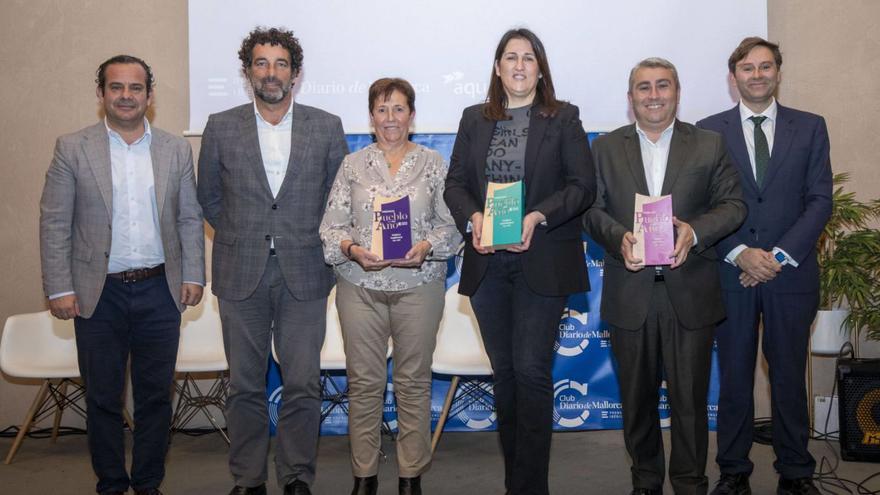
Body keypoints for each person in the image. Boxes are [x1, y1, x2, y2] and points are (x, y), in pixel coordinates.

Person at [39, 54, 205, 495]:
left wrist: (194, 275)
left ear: (149, 96)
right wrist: (60, 286)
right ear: (101, 94)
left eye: (135, 88)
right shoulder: (72, 147)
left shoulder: (174, 149)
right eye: (116, 87)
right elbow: (55, 220)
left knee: (155, 398)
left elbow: (190, 218)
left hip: (159, 290)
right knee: (102, 399)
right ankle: (111, 484)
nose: (126, 96)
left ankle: (148, 482)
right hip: (98, 294)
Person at [582, 57, 746, 495]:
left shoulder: (709, 144)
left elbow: (733, 205)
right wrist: (618, 238)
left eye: (662, 86)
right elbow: (590, 210)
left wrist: (696, 232)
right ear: (630, 96)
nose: (653, 96)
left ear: (677, 91)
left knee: (690, 401)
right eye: (643, 88)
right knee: (636, 401)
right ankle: (646, 481)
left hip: (688, 291)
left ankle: (690, 483)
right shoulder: (604, 148)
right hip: (630, 292)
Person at [444, 28, 595, 495]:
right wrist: (473, 218)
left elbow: (581, 185)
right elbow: (454, 185)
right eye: (510, 57)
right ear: (497, 67)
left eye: (529, 57)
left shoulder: (563, 117)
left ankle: (531, 487)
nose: (520, 65)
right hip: (489, 264)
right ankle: (517, 481)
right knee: (505, 373)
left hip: (541, 259)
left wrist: (537, 216)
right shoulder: (474, 118)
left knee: (531, 370)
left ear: (540, 67)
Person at [197, 27, 348, 495]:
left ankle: (297, 475)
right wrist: (247, 237)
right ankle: (248, 478)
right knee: (244, 384)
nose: (271, 72)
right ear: (248, 73)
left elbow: (337, 200)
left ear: (296, 74)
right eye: (261, 63)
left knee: (303, 382)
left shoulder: (326, 126)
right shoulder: (221, 126)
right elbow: (209, 198)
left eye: (281, 64)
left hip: (306, 272)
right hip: (240, 272)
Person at [697, 37, 832, 495]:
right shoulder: (708, 131)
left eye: (765, 66)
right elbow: (702, 204)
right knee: (734, 376)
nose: (757, 75)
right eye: (747, 68)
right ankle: (733, 471)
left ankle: (796, 472)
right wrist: (740, 252)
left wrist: (775, 256)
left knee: (789, 374)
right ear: (733, 78)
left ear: (778, 71)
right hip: (730, 272)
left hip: (789, 274)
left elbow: (819, 201)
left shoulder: (810, 127)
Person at [319, 77, 461, 495]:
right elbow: (331, 227)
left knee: (413, 382)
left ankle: (409, 475)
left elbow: (450, 226)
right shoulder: (352, 165)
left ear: (412, 116)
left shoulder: (434, 163)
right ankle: (364, 476)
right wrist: (351, 248)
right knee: (363, 383)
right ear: (370, 117)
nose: (390, 118)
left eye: (399, 109)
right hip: (359, 285)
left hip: (419, 284)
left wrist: (425, 247)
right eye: (382, 110)